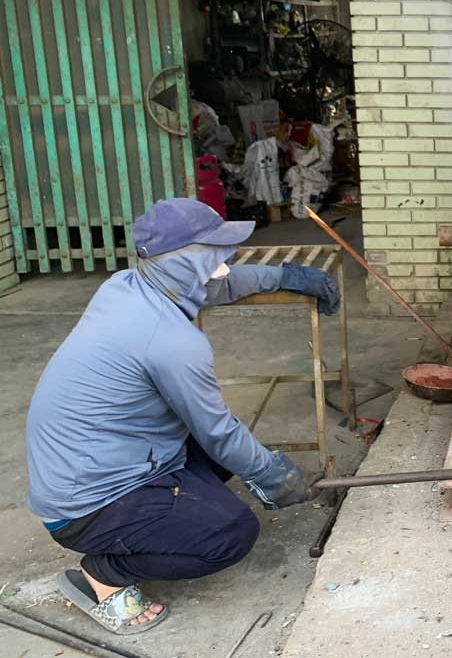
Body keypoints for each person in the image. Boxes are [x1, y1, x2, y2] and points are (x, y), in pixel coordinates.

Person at [25, 198, 342, 635]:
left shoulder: (128, 285)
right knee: (230, 533)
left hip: (100, 462)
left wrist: (287, 276)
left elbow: (219, 286)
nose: (226, 267)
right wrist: (274, 475)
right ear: (183, 264)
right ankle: (105, 572)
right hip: (88, 505)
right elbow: (217, 431)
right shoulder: (171, 341)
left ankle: (170, 512)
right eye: (213, 256)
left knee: (226, 458)